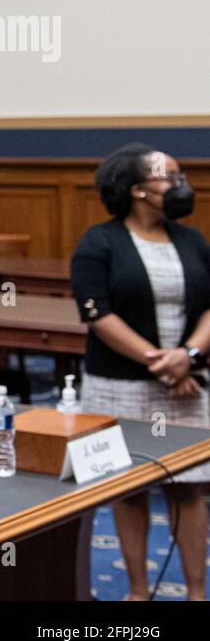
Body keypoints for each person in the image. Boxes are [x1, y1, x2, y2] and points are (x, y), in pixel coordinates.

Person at [71, 143, 210, 601]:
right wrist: (164, 362)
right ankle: (136, 591)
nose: (179, 184)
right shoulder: (99, 241)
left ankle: (194, 592)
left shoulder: (191, 240)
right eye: (168, 177)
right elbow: (98, 314)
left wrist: (187, 356)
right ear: (137, 191)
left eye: (180, 175)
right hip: (120, 388)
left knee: (190, 489)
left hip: (186, 385)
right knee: (128, 488)